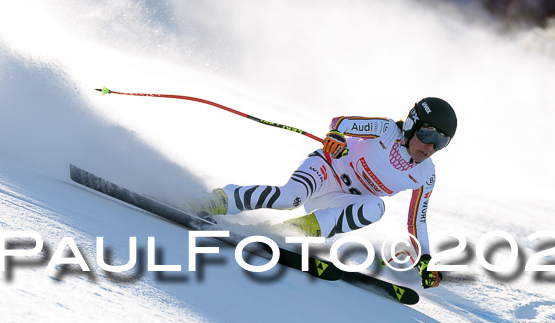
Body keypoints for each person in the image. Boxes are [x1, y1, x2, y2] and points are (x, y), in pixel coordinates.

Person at [189, 97, 457, 290]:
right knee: (289, 198)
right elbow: (340, 122)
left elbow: (416, 221)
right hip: (327, 169)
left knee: (376, 207)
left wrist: (425, 260)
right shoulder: (385, 130)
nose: (430, 147)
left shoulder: (425, 175)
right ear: (412, 124)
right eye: (427, 134)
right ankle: (215, 201)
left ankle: (286, 232)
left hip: (341, 200)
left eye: (441, 142)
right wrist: (336, 137)